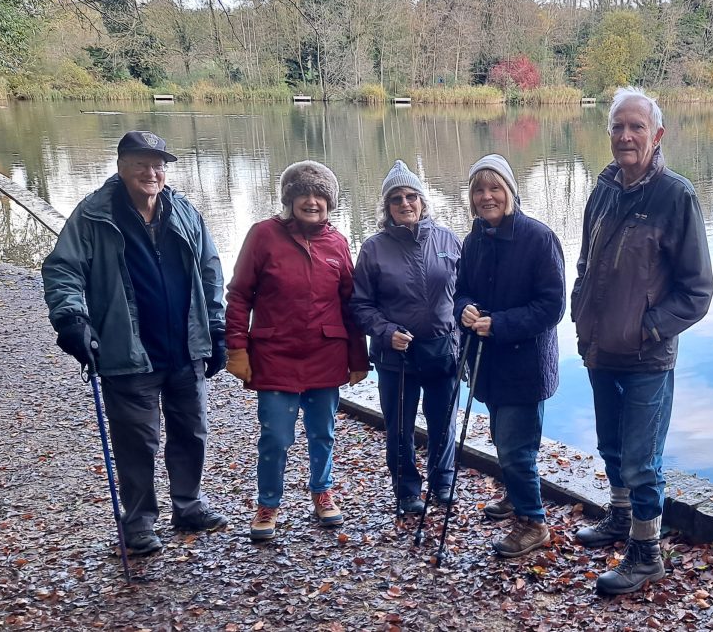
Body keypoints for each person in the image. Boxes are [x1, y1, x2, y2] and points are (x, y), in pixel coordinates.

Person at [42, 130, 229, 556]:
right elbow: (63, 271)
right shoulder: (93, 214)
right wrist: (72, 320)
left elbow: (210, 272)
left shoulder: (183, 211)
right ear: (122, 165)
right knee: (137, 441)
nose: (151, 172)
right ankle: (140, 522)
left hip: (185, 348)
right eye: (141, 163)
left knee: (192, 432)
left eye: (158, 164)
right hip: (127, 350)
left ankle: (188, 504)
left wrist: (217, 330)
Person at [572, 86, 713, 595]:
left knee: (641, 456)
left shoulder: (676, 196)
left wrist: (647, 328)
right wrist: (580, 312)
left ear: (657, 135)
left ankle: (646, 552)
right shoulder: (605, 188)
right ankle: (619, 516)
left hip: (646, 355)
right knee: (610, 444)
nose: (626, 136)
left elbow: (697, 291)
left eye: (636, 127)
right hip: (598, 348)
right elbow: (587, 262)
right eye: (617, 127)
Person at [225, 160, 369, 541]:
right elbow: (239, 295)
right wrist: (237, 347)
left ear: (330, 202)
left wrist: (358, 357)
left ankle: (322, 492)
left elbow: (349, 304)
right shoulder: (263, 236)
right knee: (275, 436)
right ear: (289, 199)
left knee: (323, 432)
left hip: (326, 354)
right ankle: (268, 502)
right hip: (275, 355)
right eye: (303, 194)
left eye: (319, 195)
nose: (311, 202)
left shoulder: (337, 242)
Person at [453, 154, 566, 558]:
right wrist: (463, 308)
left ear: (511, 192)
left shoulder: (539, 238)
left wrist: (498, 323)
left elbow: (552, 307)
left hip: (525, 364)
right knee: (503, 438)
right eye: (479, 190)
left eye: (494, 188)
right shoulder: (474, 240)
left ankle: (533, 522)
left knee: (517, 448)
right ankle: (516, 497)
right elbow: (461, 290)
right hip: (489, 363)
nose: (487, 197)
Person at [350, 161, 462, 515]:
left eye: (411, 196)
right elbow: (360, 305)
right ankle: (407, 489)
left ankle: (442, 481)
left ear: (423, 200)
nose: (405, 203)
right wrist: (385, 332)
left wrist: (462, 330)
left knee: (444, 420)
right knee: (399, 427)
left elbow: (466, 294)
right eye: (396, 198)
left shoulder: (448, 240)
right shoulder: (373, 248)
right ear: (387, 207)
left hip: (443, 349)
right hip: (397, 355)